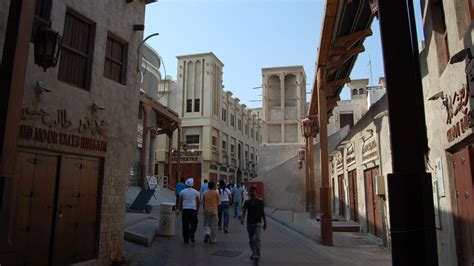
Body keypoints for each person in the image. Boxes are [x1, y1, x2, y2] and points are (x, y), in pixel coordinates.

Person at [241, 186, 267, 262]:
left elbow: (263, 212)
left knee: (257, 238)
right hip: (250, 223)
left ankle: (257, 254)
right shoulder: (247, 202)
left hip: (258, 223)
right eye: (251, 191)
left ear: (256, 192)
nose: (252, 193)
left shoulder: (260, 201)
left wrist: (265, 222)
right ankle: (254, 252)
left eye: (253, 191)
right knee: (251, 240)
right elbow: (244, 211)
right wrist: (242, 218)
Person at [177, 178, 200, 244]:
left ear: (186, 184)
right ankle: (192, 233)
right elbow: (198, 201)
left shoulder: (182, 192)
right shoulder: (196, 192)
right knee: (194, 223)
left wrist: (178, 209)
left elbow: (180, 201)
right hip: (193, 209)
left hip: (185, 209)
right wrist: (197, 209)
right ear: (192, 185)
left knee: (185, 224)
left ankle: (186, 239)